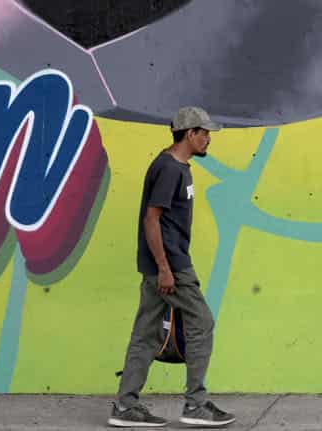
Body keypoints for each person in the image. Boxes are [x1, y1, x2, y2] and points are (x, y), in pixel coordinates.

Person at [110, 107, 233, 429]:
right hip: (171, 265)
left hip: (163, 264)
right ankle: (196, 404)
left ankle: (125, 406)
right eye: (204, 133)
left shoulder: (179, 167)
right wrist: (165, 268)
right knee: (202, 322)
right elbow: (152, 219)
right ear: (189, 134)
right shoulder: (170, 169)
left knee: (146, 334)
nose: (208, 139)